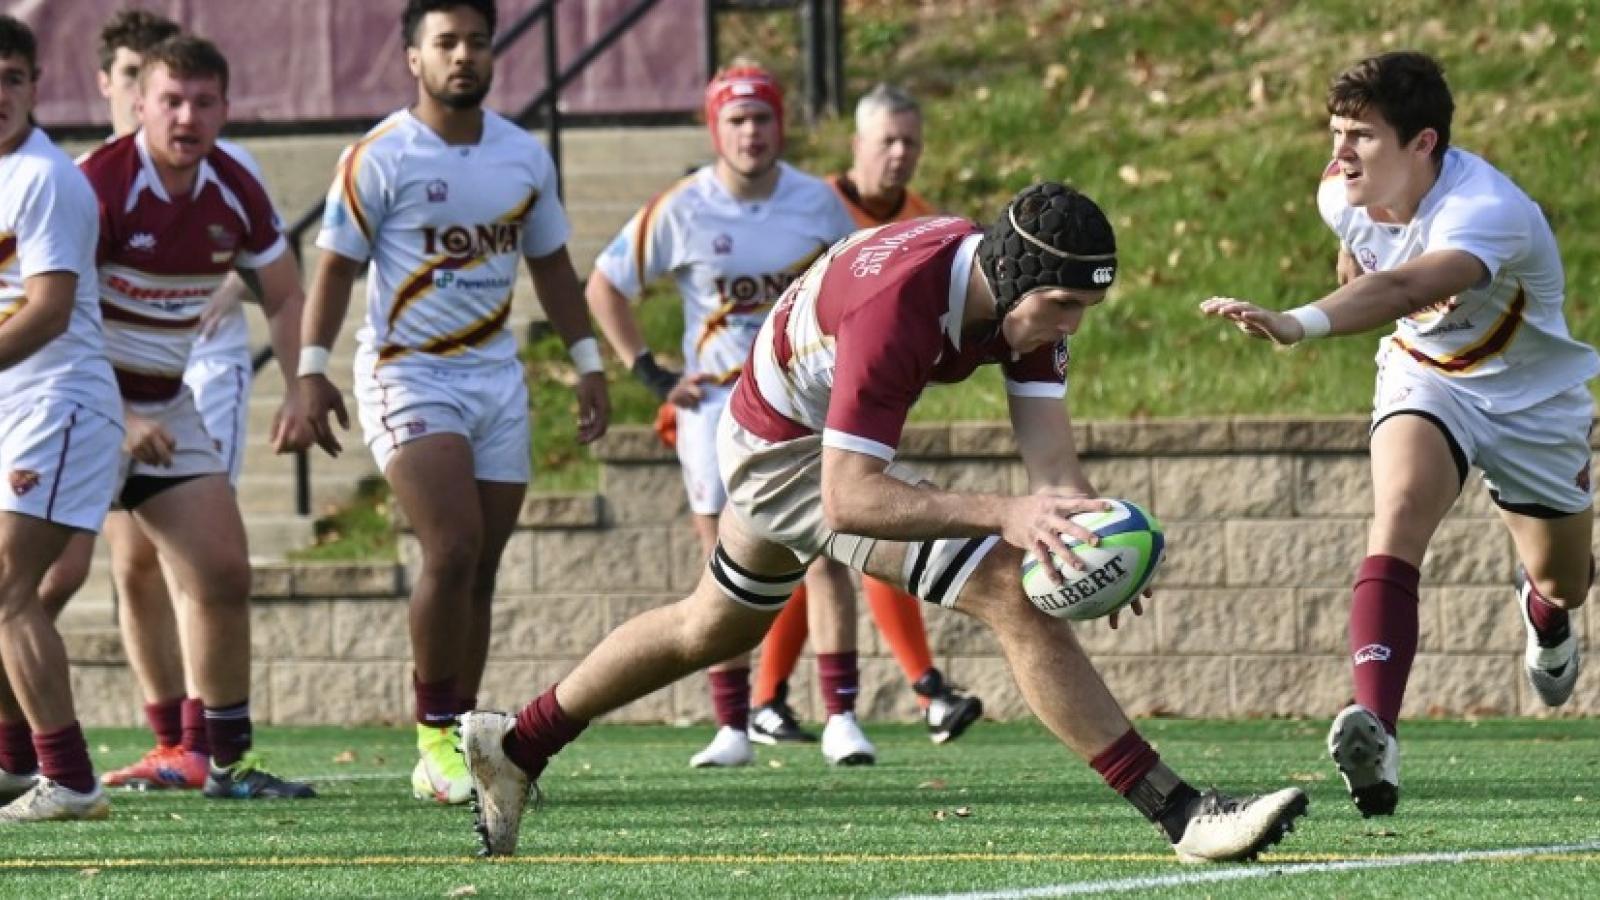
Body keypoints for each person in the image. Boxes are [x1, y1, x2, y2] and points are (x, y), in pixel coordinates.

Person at [460, 182, 1310, 862]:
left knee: (707, 627)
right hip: (781, 450)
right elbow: (851, 499)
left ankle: (519, 742)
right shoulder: (899, 308)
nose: (1069, 328)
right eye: (1060, 308)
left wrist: (1091, 542)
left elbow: (1053, 466)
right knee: (1006, 588)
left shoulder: (1025, 288)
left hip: (788, 424)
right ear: (1013, 281)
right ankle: (1182, 813)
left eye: (1081, 309)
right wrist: (1010, 516)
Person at [1200, 51, 1595, 818]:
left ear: (1424, 144)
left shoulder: (1487, 210)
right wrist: (1346, 269)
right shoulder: (1339, 193)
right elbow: (1364, 265)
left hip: (1534, 403)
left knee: (1565, 580)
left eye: (1362, 136)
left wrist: (1296, 323)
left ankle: (1543, 610)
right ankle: (1375, 725)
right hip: (1428, 376)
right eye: (1336, 131)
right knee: (1400, 510)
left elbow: (1407, 284)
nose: (1340, 152)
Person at [300, 0, 609, 805]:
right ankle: (434, 737)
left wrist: (588, 364)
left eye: (476, 41)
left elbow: (552, 267)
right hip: (408, 371)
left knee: (481, 566)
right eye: (445, 42)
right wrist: (307, 369)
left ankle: (471, 744)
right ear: (413, 57)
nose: (462, 55)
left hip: (496, 377)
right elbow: (334, 267)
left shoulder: (522, 156)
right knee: (453, 545)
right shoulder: (379, 156)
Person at [588, 63, 881, 768]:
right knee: (719, 563)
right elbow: (605, 285)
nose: (751, 133)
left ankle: (840, 715)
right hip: (715, 408)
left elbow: (866, 286)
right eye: (737, 120)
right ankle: (733, 725)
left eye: (763, 118)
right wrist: (650, 371)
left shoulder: (817, 203)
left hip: (801, 402)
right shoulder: (683, 206)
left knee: (825, 550)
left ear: (781, 124)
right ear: (715, 129)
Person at [75, 34, 317, 800]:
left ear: (225, 109)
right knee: (37, 589)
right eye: (170, 101)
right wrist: (112, 412)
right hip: (74, 396)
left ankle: (223, 761)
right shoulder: (97, 186)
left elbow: (282, 291)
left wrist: (306, 382)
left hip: (166, 399)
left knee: (221, 569)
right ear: (137, 105)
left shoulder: (235, 185)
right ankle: (25, 757)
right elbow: (58, 312)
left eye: (203, 102)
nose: (186, 117)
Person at [751, 82, 981, 747]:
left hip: (861, 400)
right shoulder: (809, 207)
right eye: (888, 140)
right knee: (817, 546)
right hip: (782, 396)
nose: (902, 153)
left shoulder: (925, 220)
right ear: (857, 146)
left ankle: (771, 701)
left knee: (829, 541)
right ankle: (921, 689)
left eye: (912, 141)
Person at [0, 13, 123, 822]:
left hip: (59, 401)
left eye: (11, 79)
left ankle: (71, 778)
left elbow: (47, 310)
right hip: (17, 402)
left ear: (37, 87)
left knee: (7, 588)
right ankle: (15, 764)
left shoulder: (45, 179)